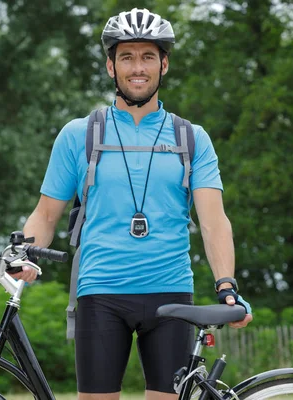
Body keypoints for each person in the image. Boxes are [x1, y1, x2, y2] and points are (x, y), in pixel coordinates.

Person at [13, 8, 252, 400]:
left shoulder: (192, 139)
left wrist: (226, 284)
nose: (137, 67)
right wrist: (23, 252)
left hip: (171, 291)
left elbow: (213, 221)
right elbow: (46, 213)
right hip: (100, 291)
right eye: (126, 57)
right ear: (111, 66)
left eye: (147, 57)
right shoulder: (79, 135)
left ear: (164, 65)